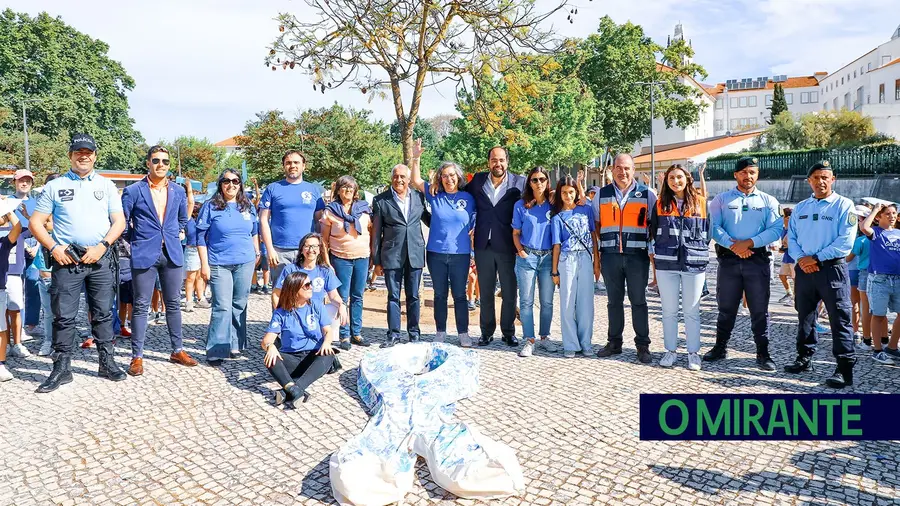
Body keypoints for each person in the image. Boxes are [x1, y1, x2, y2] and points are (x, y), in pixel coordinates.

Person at [30, 133, 128, 393]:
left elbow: (119, 221)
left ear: (95, 155)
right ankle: (62, 367)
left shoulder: (106, 186)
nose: (83, 156)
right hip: (67, 260)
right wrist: (53, 247)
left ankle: (106, 362)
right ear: (70, 155)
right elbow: (36, 222)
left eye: (88, 152)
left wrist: (103, 246)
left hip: (100, 257)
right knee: (63, 316)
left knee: (104, 313)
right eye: (78, 152)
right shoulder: (55, 185)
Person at [121, 145, 198, 376]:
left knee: (173, 303)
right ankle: (137, 356)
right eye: (156, 160)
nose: (160, 165)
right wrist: (136, 243)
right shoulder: (133, 190)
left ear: (169, 165)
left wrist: (173, 235)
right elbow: (123, 223)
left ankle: (177, 349)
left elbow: (182, 219)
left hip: (172, 254)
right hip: (144, 253)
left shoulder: (177, 191)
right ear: (148, 163)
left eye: (165, 161)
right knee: (142, 305)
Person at [704, 156, 783, 371]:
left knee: (759, 309)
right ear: (735, 175)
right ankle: (720, 347)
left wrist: (749, 243)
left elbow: (776, 229)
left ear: (757, 175)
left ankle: (763, 352)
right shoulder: (721, 200)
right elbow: (714, 228)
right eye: (744, 172)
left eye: (752, 172)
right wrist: (734, 245)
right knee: (726, 307)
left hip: (757, 260)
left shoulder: (768, 201)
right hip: (729, 260)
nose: (748, 176)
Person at [785, 161, 857, 388]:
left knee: (840, 319)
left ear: (833, 180)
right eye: (816, 177)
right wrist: (801, 260)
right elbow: (792, 238)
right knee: (804, 316)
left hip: (831, 269)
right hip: (805, 270)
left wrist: (815, 259)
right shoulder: (801, 208)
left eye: (825, 177)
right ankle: (804, 358)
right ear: (809, 181)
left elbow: (845, 242)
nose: (820, 181)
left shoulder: (844, 205)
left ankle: (844, 368)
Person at [409, 144, 477, 346]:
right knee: (439, 294)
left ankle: (463, 333)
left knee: (459, 295)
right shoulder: (434, 193)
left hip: (461, 254)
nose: (449, 179)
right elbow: (415, 180)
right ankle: (440, 332)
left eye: (452, 175)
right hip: (436, 253)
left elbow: (478, 218)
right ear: (440, 178)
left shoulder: (468, 198)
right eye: (445, 176)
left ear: (458, 177)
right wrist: (416, 158)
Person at [593, 154, 656, 363]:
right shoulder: (601, 194)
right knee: (614, 302)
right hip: (610, 256)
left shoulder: (647, 194)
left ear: (634, 169)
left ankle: (643, 345)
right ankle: (614, 342)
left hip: (637, 256)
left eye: (627, 168)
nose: (623, 172)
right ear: (612, 169)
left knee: (638, 301)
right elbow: (597, 225)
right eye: (619, 168)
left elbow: (652, 227)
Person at [649, 164, 710, 371]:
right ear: (666, 181)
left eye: (679, 177)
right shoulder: (660, 204)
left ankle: (693, 353)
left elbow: (707, 232)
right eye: (672, 178)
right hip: (666, 263)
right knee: (669, 310)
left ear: (687, 178)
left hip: (694, 263)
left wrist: (699, 253)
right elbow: (653, 232)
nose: (676, 181)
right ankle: (670, 351)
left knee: (692, 310)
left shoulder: (701, 203)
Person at [197, 170, 260, 366]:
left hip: (245, 261)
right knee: (222, 306)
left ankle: (236, 343)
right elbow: (200, 237)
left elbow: (254, 231)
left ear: (240, 184)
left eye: (235, 181)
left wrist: (257, 252)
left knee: (239, 303)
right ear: (220, 184)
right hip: (219, 263)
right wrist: (204, 264)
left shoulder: (248, 206)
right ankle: (217, 348)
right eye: (226, 181)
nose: (231, 185)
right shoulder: (211, 206)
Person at [467, 146, 526, 347]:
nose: (497, 164)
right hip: (483, 245)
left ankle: (508, 332)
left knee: (509, 291)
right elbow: (458, 193)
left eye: (501, 160)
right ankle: (486, 332)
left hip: (508, 246)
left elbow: (537, 198)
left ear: (507, 162)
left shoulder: (520, 183)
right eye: (494, 160)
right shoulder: (477, 180)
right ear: (488, 162)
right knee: (485, 292)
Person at [371, 162, 430, 348]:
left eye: (403, 177)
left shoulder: (419, 197)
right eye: (396, 176)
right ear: (391, 178)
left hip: (415, 254)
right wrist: (376, 261)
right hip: (391, 256)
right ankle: (393, 334)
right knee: (393, 296)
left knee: (413, 296)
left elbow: (430, 221)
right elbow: (376, 234)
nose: (399, 180)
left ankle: (414, 333)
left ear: (408, 180)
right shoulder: (381, 201)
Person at [262, 271, 336, 408]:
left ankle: (292, 389)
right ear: (295, 290)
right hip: (291, 358)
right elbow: (266, 340)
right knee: (270, 357)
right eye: (307, 285)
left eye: (311, 284)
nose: (311, 287)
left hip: (314, 356)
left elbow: (328, 331)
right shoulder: (281, 313)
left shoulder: (316, 305)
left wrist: (326, 343)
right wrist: (270, 346)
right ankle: (294, 389)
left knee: (328, 354)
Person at [550, 175, 600, 358]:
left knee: (586, 302)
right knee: (568, 302)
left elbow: (593, 236)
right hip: (566, 259)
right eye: (564, 192)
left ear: (576, 192)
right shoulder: (557, 217)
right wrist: (554, 271)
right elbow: (556, 245)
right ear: (559, 194)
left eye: (571, 192)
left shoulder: (586, 210)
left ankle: (586, 342)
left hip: (585, 257)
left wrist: (597, 261)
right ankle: (570, 343)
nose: (568, 196)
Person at [321, 175, 372, 349]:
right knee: (342, 297)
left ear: (356, 191)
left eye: (351, 188)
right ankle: (343, 335)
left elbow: (371, 232)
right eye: (344, 187)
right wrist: (327, 263)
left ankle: (356, 332)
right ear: (338, 190)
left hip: (362, 257)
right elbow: (324, 240)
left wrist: (372, 256)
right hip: (340, 258)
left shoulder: (365, 210)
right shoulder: (331, 211)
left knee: (358, 295)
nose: (347, 191)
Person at [259, 150, 325, 284]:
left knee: (306, 292)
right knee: (281, 294)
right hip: (279, 251)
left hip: (307, 250)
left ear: (303, 166)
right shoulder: (273, 188)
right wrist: (270, 249)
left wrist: (319, 249)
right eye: (288, 163)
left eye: (296, 162)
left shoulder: (313, 190)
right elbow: (263, 220)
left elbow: (320, 222)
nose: (292, 165)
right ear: (284, 166)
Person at [512, 166, 558, 357]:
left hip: (548, 258)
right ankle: (528, 339)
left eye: (542, 179)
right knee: (526, 301)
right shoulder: (521, 206)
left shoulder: (554, 204)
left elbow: (576, 201)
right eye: (534, 180)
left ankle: (544, 337)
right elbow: (515, 233)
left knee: (547, 301)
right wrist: (521, 251)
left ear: (548, 181)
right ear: (529, 183)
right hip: (527, 257)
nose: (538, 183)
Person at [271, 233, 347, 337]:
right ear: (301, 250)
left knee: (334, 308)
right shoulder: (290, 269)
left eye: (315, 246)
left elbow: (333, 296)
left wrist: (342, 305)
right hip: (294, 313)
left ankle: (327, 338)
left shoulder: (325, 271)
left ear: (320, 250)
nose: (311, 250)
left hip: (315, 314)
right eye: (307, 246)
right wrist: (281, 315)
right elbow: (276, 294)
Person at [859, 202, 900, 364]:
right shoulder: (875, 232)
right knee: (878, 314)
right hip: (879, 280)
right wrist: (875, 208)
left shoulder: (898, 233)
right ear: (879, 217)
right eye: (888, 214)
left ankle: (892, 347)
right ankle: (877, 350)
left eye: (894, 213)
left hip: (898, 279)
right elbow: (864, 227)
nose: (892, 217)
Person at [4, 169, 36, 359]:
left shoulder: (36, 202)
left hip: (30, 252)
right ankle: (7, 340)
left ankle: (22, 333)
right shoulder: (6, 202)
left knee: (25, 294)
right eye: (20, 181)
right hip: (8, 254)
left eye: (27, 181)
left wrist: (37, 247)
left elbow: (39, 227)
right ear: (14, 183)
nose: (24, 184)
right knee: (6, 305)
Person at [0, 203, 24, 381]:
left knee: (1, 328)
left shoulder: (4, 242)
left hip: (0, 288)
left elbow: (18, 227)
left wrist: (7, 209)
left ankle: (0, 364)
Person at [849, 208, 873, 350]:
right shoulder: (870, 236)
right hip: (865, 270)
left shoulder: (858, 238)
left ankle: (857, 332)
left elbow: (848, 257)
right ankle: (862, 333)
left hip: (854, 269)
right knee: (865, 305)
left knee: (856, 304)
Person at [777, 208, 795, 305]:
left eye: (782, 217)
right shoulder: (784, 229)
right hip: (786, 257)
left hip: (793, 258)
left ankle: (796, 299)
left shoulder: (794, 229)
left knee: (794, 278)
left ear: (787, 218)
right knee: (782, 275)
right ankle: (789, 293)